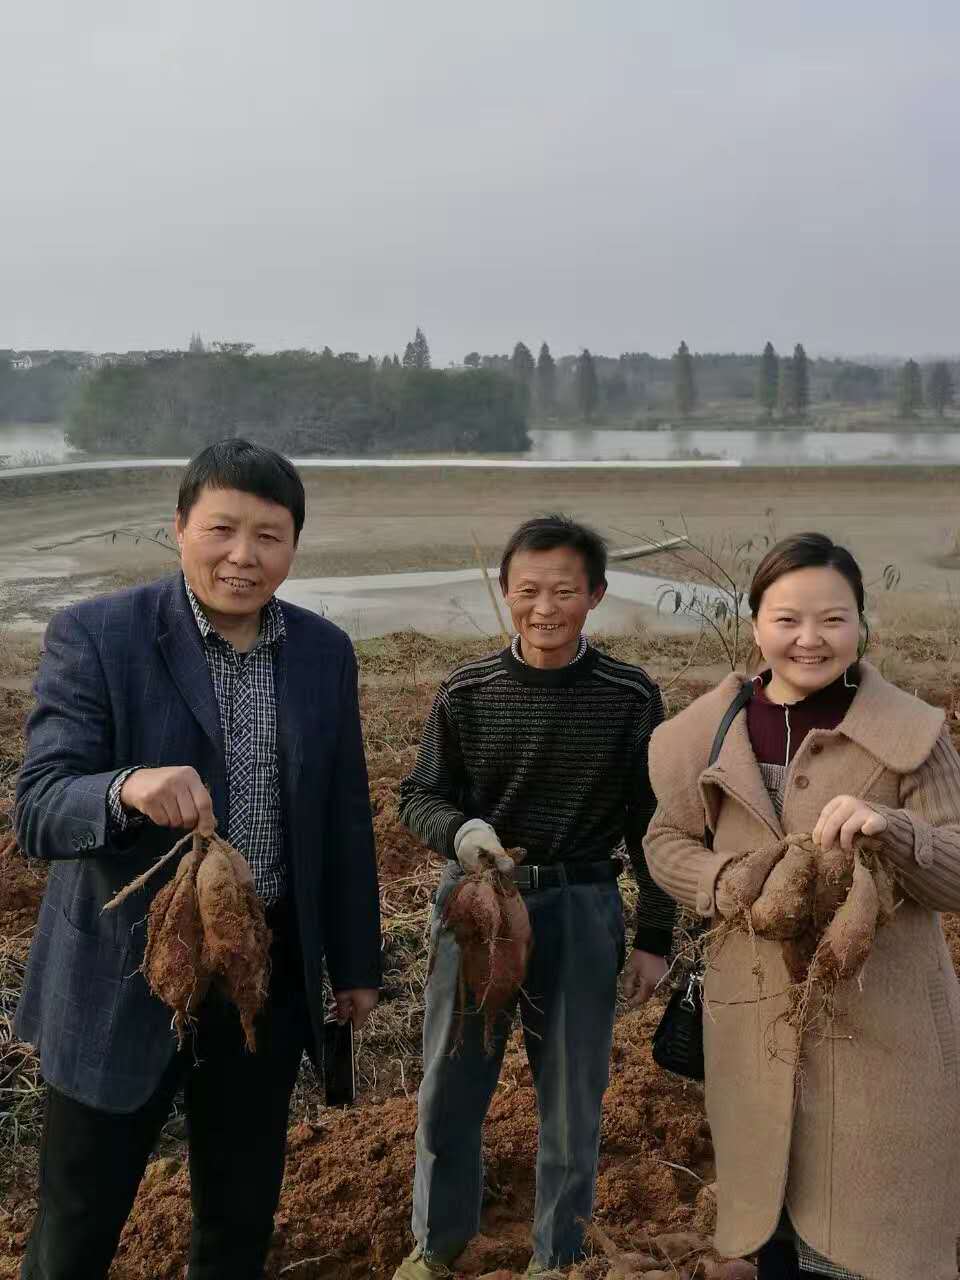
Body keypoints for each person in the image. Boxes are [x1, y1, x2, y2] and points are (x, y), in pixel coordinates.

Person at [14, 439, 381, 1280]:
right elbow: (37, 806)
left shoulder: (324, 653)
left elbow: (342, 816)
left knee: (239, 1217)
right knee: (76, 1228)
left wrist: (357, 963)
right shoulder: (99, 635)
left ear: (293, 545)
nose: (243, 557)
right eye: (221, 529)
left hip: (265, 974)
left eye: (269, 536)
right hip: (124, 977)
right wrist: (127, 786)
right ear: (179, 529)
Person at [643, 531, 960, 1280]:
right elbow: (663, 843)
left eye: (833, 619)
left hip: (889, 1031)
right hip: (751, 1023)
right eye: (787, 620)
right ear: (756, 623)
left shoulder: (913, 734)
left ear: (861, 624)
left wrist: (896, 832)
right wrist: (726, 882)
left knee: (876, 1241)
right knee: (772, 1228)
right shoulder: (707, 732)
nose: (810, 640)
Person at [392, 514, 676, 1279]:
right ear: (506, 593)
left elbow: (655, 824)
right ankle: (436, 1245)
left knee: (572, 1096)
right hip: (479, 903)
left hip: (582, 906)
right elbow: (417, 793)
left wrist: (655, 934)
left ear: (596, 595)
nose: (544, 607)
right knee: (451, 1085)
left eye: (563, 591)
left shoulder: (628, 696)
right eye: (528, 591)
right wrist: (461, 831)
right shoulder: (468, 690)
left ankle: (558, 1258)